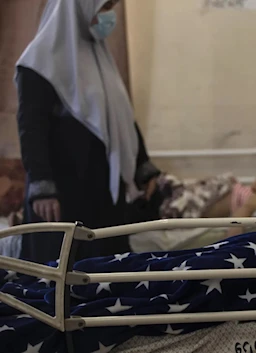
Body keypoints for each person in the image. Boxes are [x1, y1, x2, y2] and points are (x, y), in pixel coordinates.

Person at [15, 0, 160, 264]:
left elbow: (121, 118)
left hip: (102, 187)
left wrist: (143, 167)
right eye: (102, 8)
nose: (108, 17)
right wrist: (43, 187)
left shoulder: (99, 59)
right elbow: (31, 128)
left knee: (106, 275)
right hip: (62, 193)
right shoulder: (38, 64)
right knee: (62, 275)